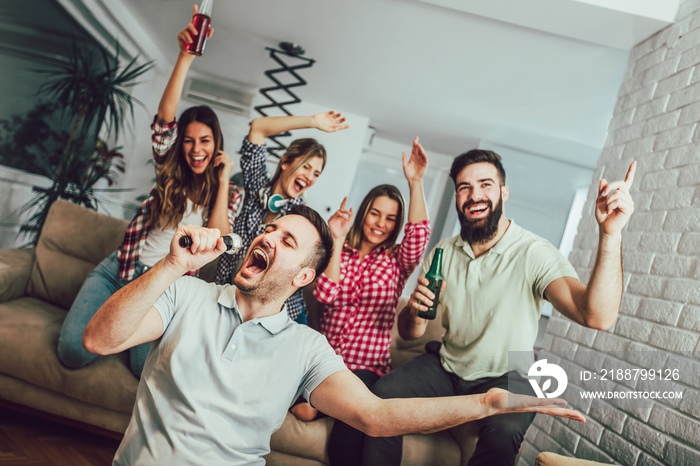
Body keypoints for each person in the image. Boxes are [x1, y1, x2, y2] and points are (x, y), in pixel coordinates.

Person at [82, 205, 586, 465]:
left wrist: (488, 405)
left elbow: (376, 415)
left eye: (287, 240)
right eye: (269, 230)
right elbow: (100, 341)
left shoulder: (305, 347)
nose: (266, 238)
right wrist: (173, 265)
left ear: (303, 277)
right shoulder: (185, 294)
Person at [356, 150, 636, 465]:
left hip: (511, 372)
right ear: (457, 195)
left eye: (485, 184)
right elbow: (409, 334)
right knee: (381, 397)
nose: (475, 194)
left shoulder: (533, 252)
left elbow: (596, 316)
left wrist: (610, 235)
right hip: (448, 365)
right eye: (465, 187)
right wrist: (415, 313)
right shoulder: (443, 252)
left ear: (503, 191)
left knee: (505, 430)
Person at [57, 10, 236, 377]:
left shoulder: (225, 191)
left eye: (204, 141)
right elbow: (165, 118)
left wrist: (224, 179)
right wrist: (185, 57)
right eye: (188, 141)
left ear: (216, 143)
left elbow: (220, 235)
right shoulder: (169, 171)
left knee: (143, 369)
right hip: (119, 270)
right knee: (73, 353)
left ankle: (116, 331)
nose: (196, 149)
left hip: (162, 286)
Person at [293, 138, 431, 465]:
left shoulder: (397, 260)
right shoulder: (340, 250)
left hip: (366, 370)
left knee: (350, 426)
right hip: (324, 361)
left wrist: (415, 181)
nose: (380, 224)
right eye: (375, 214)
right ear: (364, 212)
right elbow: (326, 294)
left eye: (390, 219)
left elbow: (419, 236)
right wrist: (337, 239)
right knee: (303, 410)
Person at [214, 109, 349, 324]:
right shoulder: (256, 185)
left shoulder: (302, 220)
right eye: (306, 166)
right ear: (285, 162)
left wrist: (336, 236)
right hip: (229, 296)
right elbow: (258, 127)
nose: (310, 177)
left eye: (316, 173)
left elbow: (327, 289)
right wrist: (312, 120)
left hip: (281, 316)